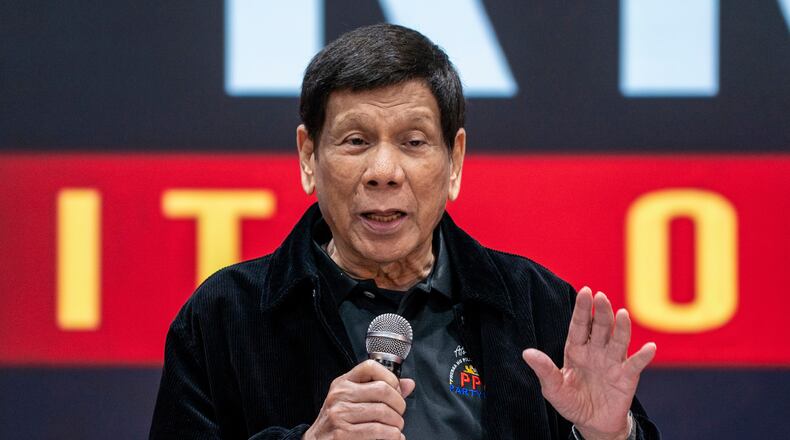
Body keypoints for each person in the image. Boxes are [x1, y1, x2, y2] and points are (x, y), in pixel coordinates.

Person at [150, 23, 660, 439]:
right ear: (308, 157)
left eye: (414, 142)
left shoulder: (538, 307)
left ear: (454, 160)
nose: (384, 170)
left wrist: (607, 436)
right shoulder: (225, 316)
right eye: (355, 141)